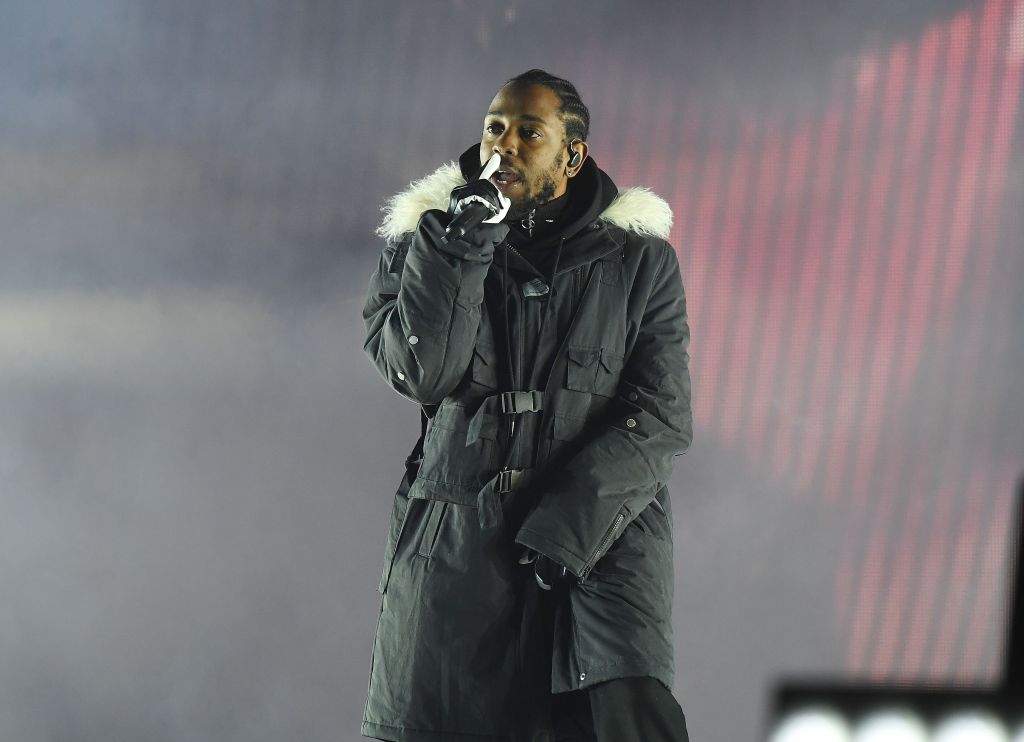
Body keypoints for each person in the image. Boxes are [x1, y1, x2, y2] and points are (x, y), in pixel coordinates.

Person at [360, 69, 693, 742]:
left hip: (600, 549)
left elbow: (661, 415)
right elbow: (422, 371)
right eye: (494, 128)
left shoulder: (640, 264)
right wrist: (459, 242)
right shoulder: (432, 242)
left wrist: (563, 528)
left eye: (528, 133)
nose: (503, 145)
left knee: (620, 722)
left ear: (571, 155)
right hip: (459, 544)